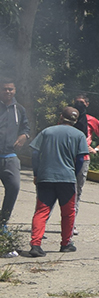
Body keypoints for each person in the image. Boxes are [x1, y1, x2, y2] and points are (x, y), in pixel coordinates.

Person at [27, 107, 90, 257]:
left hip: (45, 177)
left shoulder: (47, 131)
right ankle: (65, 244)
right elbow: (81, 158)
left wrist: (36, 173)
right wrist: (73, 174)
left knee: (41, 211)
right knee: (68, 213)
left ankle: (35, 244)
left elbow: (35, 153)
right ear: (75, 121)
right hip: (67, 179)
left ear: (61, 117)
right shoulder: (79, 135)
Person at [70, 92, 99, 230]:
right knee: (57, 188)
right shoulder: (67, 117)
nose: (79, 105)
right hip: (67, 156)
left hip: (83, 158)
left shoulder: (91, 120)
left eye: (82, 103)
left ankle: (71, 224)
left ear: (87, 104)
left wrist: (96, 149)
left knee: (77, 191)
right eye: (77, 102)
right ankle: (45, 223)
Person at [1, 78, 32, 231]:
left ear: (15, 90)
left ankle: (3, 221)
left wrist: (24, 136)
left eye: (10, 89)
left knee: (14, 187)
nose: (8, 92)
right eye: (5, 89)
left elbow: (26, 128)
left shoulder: (19, 109)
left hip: (10, 156)